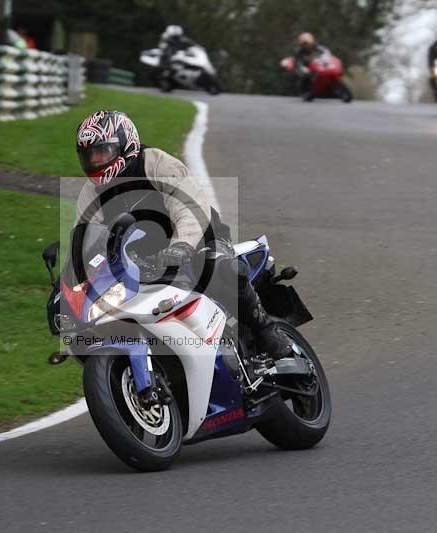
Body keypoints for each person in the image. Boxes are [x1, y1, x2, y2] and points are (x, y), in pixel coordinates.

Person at [73, 110, 294, 381]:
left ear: (125, 144)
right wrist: (77, 280)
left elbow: (187, 206)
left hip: (199, 240)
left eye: (102, 152)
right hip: (142, 264)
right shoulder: (91, 192)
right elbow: (85, 240)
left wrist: (181, 246)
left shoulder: (156, 163)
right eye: (89, 156)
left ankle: (265, 329)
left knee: (219, 266)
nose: (96, 161)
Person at [293, 32, 328, 101]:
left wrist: (326, 59)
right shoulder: (299, 52)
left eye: (308, 43)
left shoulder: (317, 47)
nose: (307, 45)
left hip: (317, 65)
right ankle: (304, 91)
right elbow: (298, 63)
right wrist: (303, 68)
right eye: (304, 44)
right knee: (305, 75)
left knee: (325, 71)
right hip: (304, 67)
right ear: (301, 44)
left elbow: (325, 52)